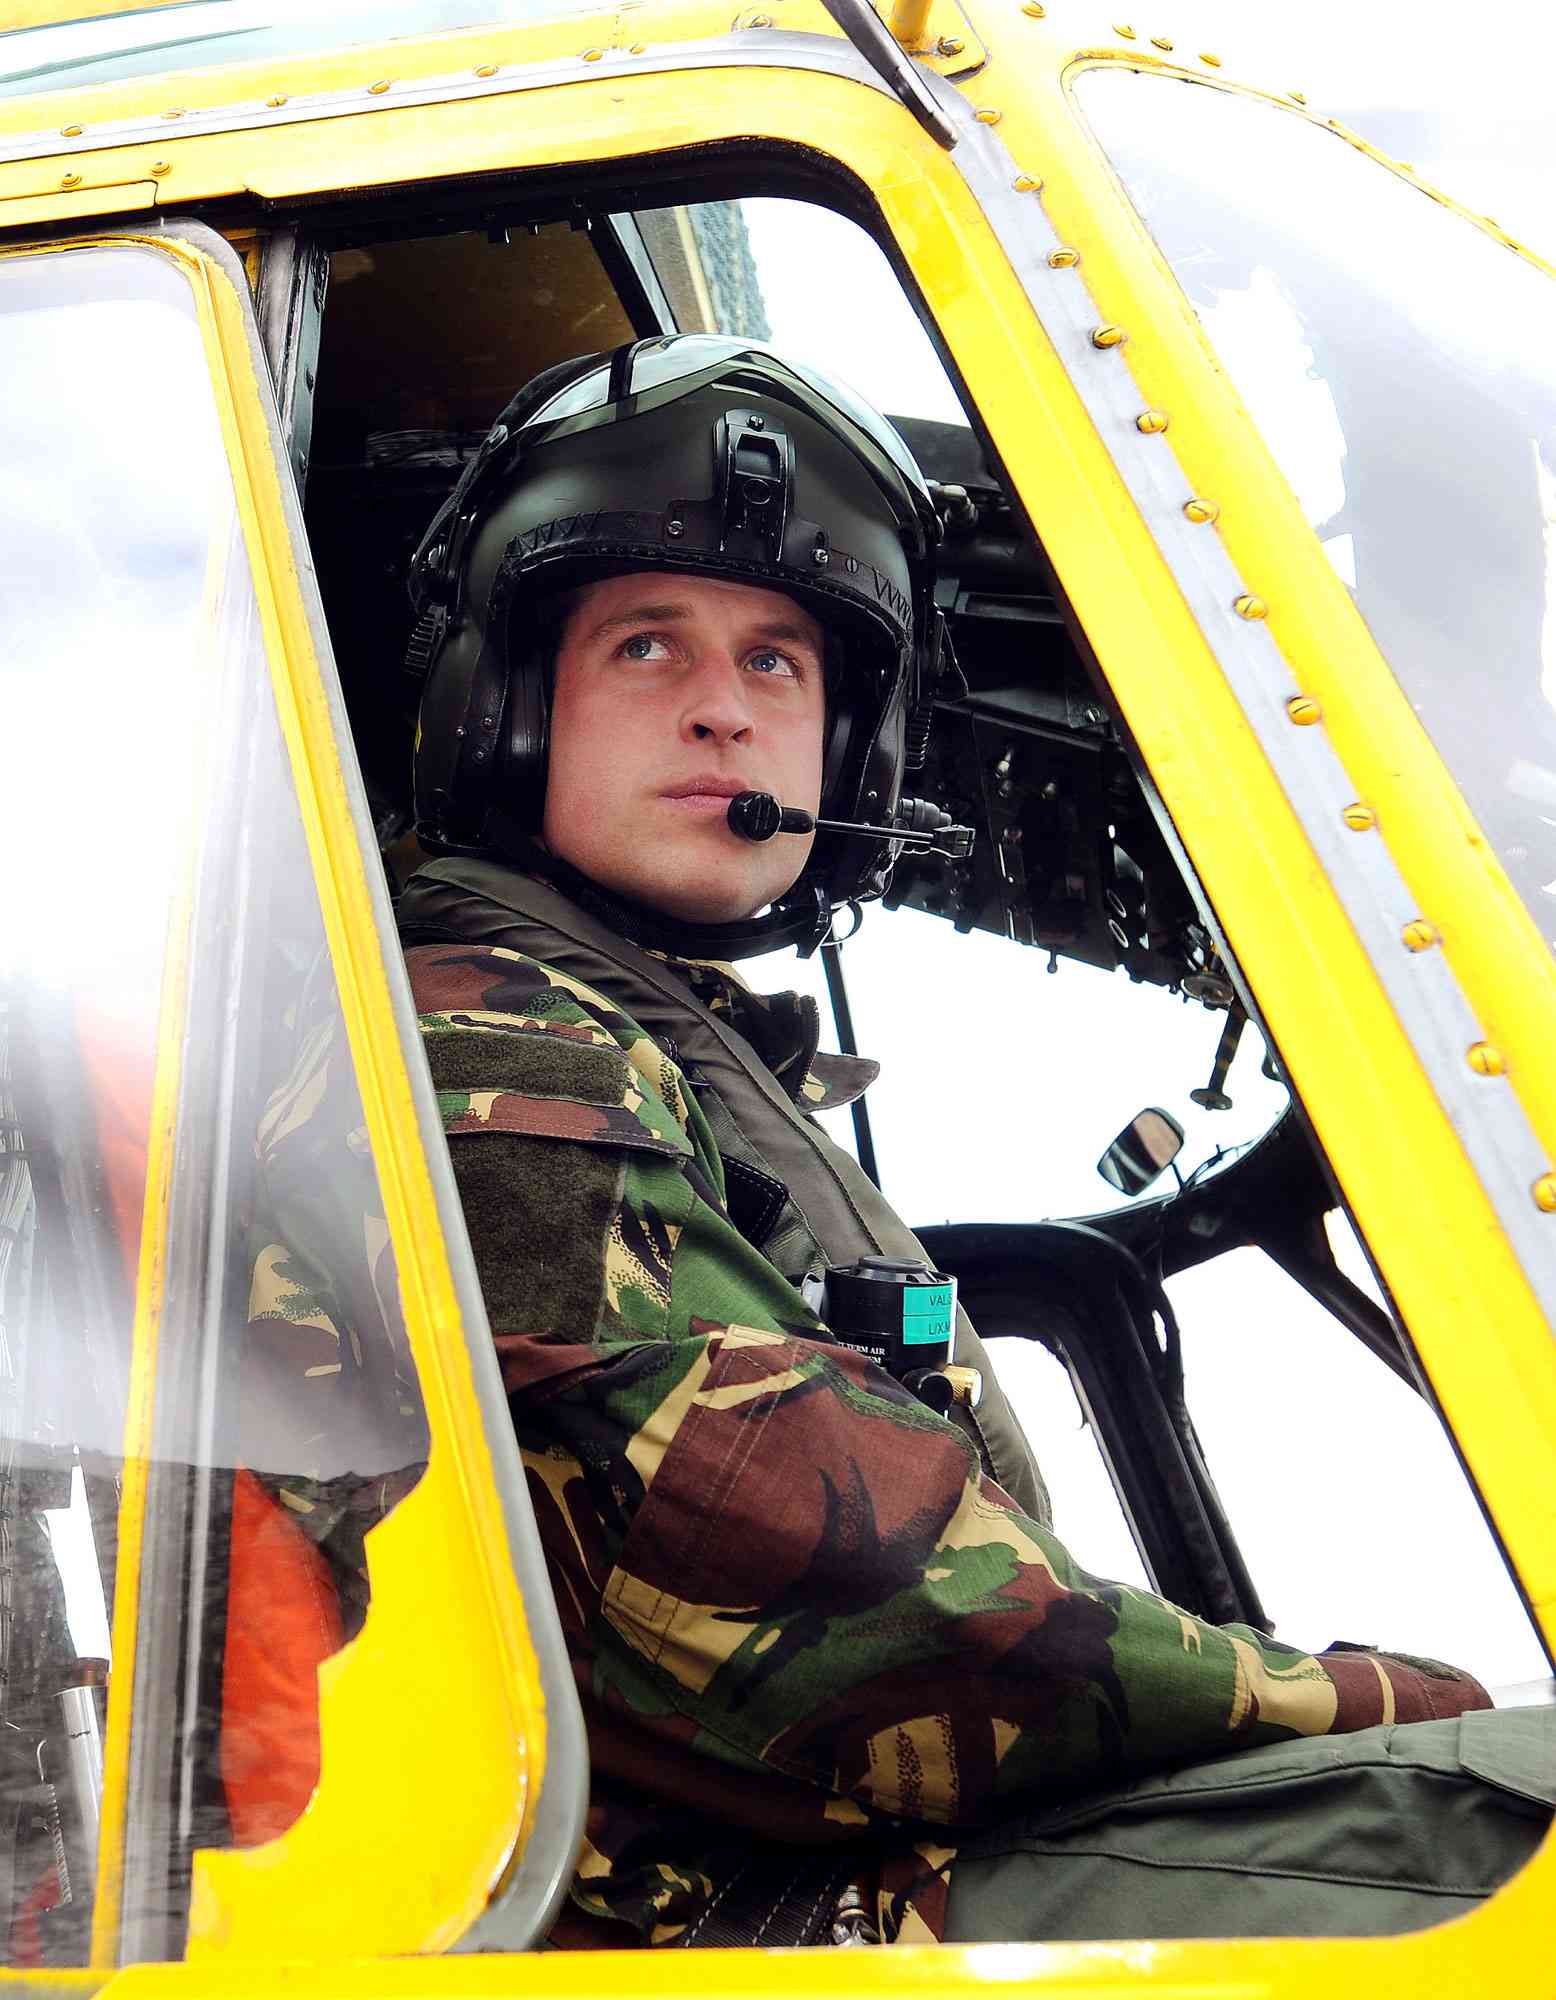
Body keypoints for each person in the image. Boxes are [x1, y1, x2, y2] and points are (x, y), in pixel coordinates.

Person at [242, 336, 1553, 1948]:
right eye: (648, 646)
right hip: (672, 1915)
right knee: (1497, 1826)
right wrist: (1361, 1701)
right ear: (507, 704)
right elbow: (816, 1591)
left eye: (778, 663)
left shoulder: (661, 1040)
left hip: (759, 1874)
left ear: (842, 751)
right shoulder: (483, 1043)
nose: (724, 711)